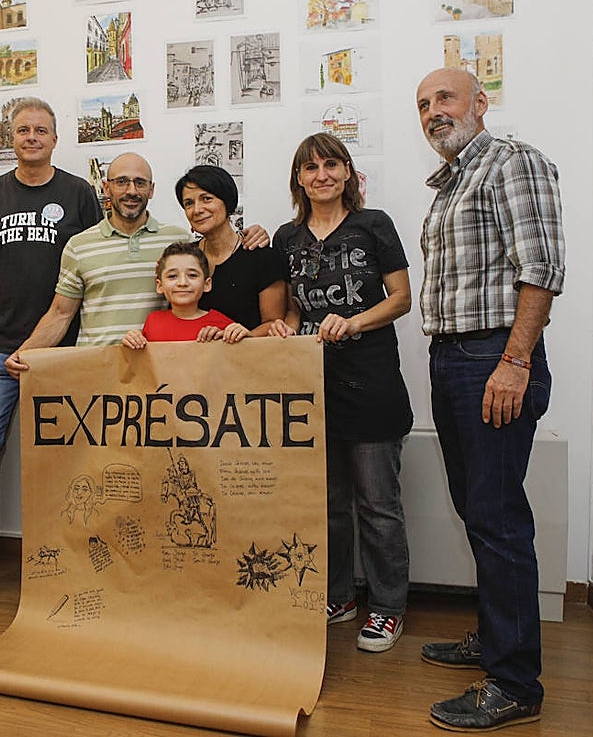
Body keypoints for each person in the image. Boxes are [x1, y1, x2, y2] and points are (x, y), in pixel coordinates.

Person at [414, 68, 564, 731]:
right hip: (451, 357)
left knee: (499, 518)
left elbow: (542, 268)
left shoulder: (510, 162)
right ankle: (495, 635)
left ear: (480, 102)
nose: (432, 111)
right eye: (422, 105)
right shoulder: (450, 183)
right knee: (476, 510)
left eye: (444, 97)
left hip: (492, 358)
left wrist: (515, 360)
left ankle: (514, 681)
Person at [0, 97, 102, 608]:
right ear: (11, 138)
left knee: (68, 459)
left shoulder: (79, 194)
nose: (32, 137)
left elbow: (96, 260)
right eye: (23, 130)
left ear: (55, 138)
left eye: (41, 130)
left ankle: (69, 557)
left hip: (64, 352)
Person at [270, 133, 414, 654]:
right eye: (310, 168)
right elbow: (291, 309)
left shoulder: (374, 225)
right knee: (327, 503)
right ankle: (339, 596)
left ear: (348, 172)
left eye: (332, 164)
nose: (322, 175)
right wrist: (287, 328)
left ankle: (388, 607)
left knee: (378, 502)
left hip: (372, 381)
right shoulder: (287, 238)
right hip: (311, 383)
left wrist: (353, 323)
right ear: (299, 179)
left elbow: (401, 299)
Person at [5, 153, 272, 372]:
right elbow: (60, 313)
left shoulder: (179, 242)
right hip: (96, 371)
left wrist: (250, 234)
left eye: (140, 183)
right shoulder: (79, 246)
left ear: (151, 190)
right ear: (106, 188)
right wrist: (25, 352)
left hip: (158, 374)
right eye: (121, 182)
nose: (131, 191)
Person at [175, 165, 287, 332]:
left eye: (206, 199)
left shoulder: (262, 257)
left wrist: (243, 337)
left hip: (249, 355)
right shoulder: (183, 258)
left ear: (227, 202)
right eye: (189, 203)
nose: (197, 210)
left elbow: (274, 323)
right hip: (194, 355)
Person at [122, 241, 249, 345]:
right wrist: (132, 340)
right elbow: (143, 363)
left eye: (192, 275)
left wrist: (243, 335)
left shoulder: (221, 324)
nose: (182, 282)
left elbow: (246, 359)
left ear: (207, 284)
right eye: (172, 276)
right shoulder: (153, 321)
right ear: (160, 285)